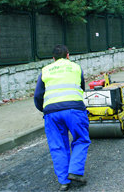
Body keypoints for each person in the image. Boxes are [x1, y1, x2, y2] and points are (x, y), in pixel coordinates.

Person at [34, 45, 91, 191]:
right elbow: (81, 87)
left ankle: (64, 181)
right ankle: (75, 171)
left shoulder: (45, 70)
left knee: (57, 145)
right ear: (68, 55)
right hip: (74, 110)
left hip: (51, 113)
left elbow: (38, 95)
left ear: (53, 58)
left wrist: (45, 110)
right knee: (81, 139)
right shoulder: (76, 67)